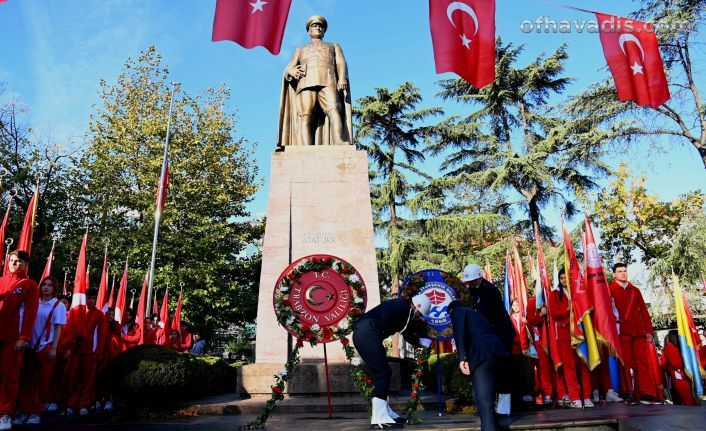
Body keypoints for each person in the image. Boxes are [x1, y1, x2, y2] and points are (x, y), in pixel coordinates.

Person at [353, 294, 432, 429]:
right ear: (417, 307)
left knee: (383, 373)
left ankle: (386, 412)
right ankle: (379, 418)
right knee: (383, 373)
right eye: (420, 314)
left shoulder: (402, 306)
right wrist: (420, 342)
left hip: (367, 334)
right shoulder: (406, 309)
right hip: (366, 334)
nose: (419, 316)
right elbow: (406, 331)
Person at [277, 15, 352, 148]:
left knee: (334, 109)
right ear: (309, 31)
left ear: (324, 31)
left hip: (329, 81)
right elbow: (289, 68)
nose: (317, 27)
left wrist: (342, 77)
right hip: (306, 83)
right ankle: (305, 146)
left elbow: (341, 62)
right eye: (314, 26)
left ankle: (339, 141)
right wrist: (291, 71)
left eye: (320, 26)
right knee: (306, 115)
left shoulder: (333, 45)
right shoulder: (300, 49)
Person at [460, 263, 515, 414]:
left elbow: (483, 316)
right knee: (485, 372)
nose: (469, 284)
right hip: (487, 337)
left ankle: (504, 409)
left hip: (501, 336)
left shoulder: (490, 291)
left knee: (503, 373)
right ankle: (487, 407)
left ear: (479, 278)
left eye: (471, 281)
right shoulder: (470, 291)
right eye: (467, 282)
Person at [448, 300, 510, 431]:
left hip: (483, 356)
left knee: (484, 401)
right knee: (482, 396)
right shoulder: (475, 314)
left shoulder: (457, 311)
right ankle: (493, 426)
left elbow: (459, 332)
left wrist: (462, 358)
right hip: (496, 353)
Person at [15, 276, 66, 426]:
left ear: (54, 288)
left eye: (50, 285)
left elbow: (58, 327)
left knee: (43, 381)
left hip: (46, 346)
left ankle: (36, 411)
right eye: (44, 284)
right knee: (26, 379)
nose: (46, 287)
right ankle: (24, 410)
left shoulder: (58, 306)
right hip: (29, 345)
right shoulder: (33, 301)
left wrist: (54, 348)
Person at [609, 263, 662, 405]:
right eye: (620, 271)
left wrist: (649, 331)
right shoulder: (609, 290)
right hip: (622, 333)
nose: (623, 274)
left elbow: (644, 312)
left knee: (642, 364)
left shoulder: (635, 290)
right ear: (614, 274)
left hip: (638, 332)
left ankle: (645, 393)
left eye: (625, 271)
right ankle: (628, 393)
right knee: (625, 364)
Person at [0, 250, 39, 430]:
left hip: (12, 338)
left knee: (9, 376)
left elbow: (30, 313)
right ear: (8, 262)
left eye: (20, 262)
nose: (16, 264)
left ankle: (5, 414)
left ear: (26, 264)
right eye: (13, 261)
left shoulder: (29, 285)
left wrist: (23, 337)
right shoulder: (1, 282)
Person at [548, 269, 593, 409]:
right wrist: (567, 309)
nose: (563, 280)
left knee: (584, 364)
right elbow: (554, 314)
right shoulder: (554, 294)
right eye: (561, 278)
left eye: (565, 277)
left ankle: (586, 396)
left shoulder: (578, 292)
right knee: (569, 367)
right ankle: (574, 397)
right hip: (564, 335)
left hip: (581, 332)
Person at [65, 288, 106, 416]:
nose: (90, 301)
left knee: (88, 381)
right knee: (73, 379)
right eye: (88, 298)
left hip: (90, 353)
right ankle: (72, 404)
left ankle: (84, 404)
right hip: (76, 351)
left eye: (93, 298)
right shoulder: (76, 312)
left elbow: (101, 335)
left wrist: (97, 353)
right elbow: (69, 329)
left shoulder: (99, 315)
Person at [525, 295, 554, 405]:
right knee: (544, 368)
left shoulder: (549, 296)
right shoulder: (532, 301)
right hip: (541, 340)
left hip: (554, 338)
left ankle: (560, 393)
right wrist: (541, 314)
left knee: (556, 368)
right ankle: (547, 394)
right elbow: (531, 320)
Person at [46, 294, 71, 413]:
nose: (63, 304)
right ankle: (47, 399)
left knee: (59, 377)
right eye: (61, 302)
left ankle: (56, 401)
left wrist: (67, 351)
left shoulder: (71, 317)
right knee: (48, 376)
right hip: (50, 349)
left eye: (65, 302)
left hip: (63, 351)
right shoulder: (53, 314)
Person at [661, 330, 696, 406]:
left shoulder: (671, 347)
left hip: (681, 376)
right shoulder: (674, 347)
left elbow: (672, 365)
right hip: (682, 376)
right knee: (689, 399)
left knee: (689, 399)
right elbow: (676, 364)